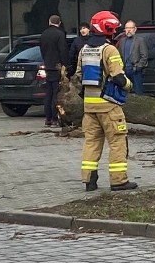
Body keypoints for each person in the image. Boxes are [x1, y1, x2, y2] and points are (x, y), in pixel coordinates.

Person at [77, 10, 138, 192]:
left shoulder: (84, 50)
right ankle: (118, 181)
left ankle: (89, 180)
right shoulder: (109, 50)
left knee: (91, 143)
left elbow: (79, 75)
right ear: (108, 28)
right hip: (109, 106)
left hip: (89, 107)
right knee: (117, 142)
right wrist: (129, 85)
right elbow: (118, 77)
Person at [39, 14, 69, 127]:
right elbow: (63, 50)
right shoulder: (60, 34)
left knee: (49, 93)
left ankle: (47, 119)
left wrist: (46, 61)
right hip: (57, 67)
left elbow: (42, 50)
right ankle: (54, 118)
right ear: (59, 23)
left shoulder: (43, 34)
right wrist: (65, 65)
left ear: (49, 22)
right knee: (56, 93)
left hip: (47, 66)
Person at [115, 20, 148, 95]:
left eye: (130, 28)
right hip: (124, 71)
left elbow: (144, 56)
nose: (128, 30)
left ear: (135, 29)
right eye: (127, 28)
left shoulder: (140, 40)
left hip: (135, 71)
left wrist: (138, 67)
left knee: (138, 93)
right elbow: (119, 55)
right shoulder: (122, 41)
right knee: (124, 93)